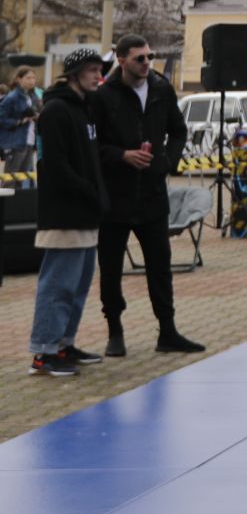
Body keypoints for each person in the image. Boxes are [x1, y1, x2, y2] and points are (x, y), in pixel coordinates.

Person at [91, 34, 200, 357]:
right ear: (121, 60)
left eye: (149, 57)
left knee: (160, 264)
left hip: (152, 193)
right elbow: (93, 146)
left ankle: (167, 331)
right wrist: (122, 155)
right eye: (139, 58)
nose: (146, 63)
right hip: (116, 195)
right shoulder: (104, 96)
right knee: (110, 266)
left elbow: (178, 130)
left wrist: (168, 162)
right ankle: (115, 331)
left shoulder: (161, 89)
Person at [28, 49, 111, 377]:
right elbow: (54, 165)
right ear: (74, 73)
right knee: (58, 284)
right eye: (91, 70)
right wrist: (88, 191)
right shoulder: (56, 111)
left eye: (99, 70)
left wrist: (97, 195)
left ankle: (64, 343)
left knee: (77, 285)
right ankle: (43, 351)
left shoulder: (84, 109)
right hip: (63, 213)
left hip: (85, 212)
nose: (97, 76)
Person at [1, 66, 41, 177]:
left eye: (34, 78)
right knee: (10, 178)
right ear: (19, 79)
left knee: (23, 179)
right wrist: (20, 121)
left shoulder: (31, 96)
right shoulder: (12, 97)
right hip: (15, 142)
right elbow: (2, 119)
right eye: (28, 78)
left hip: (30, 140)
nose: (32, 81)